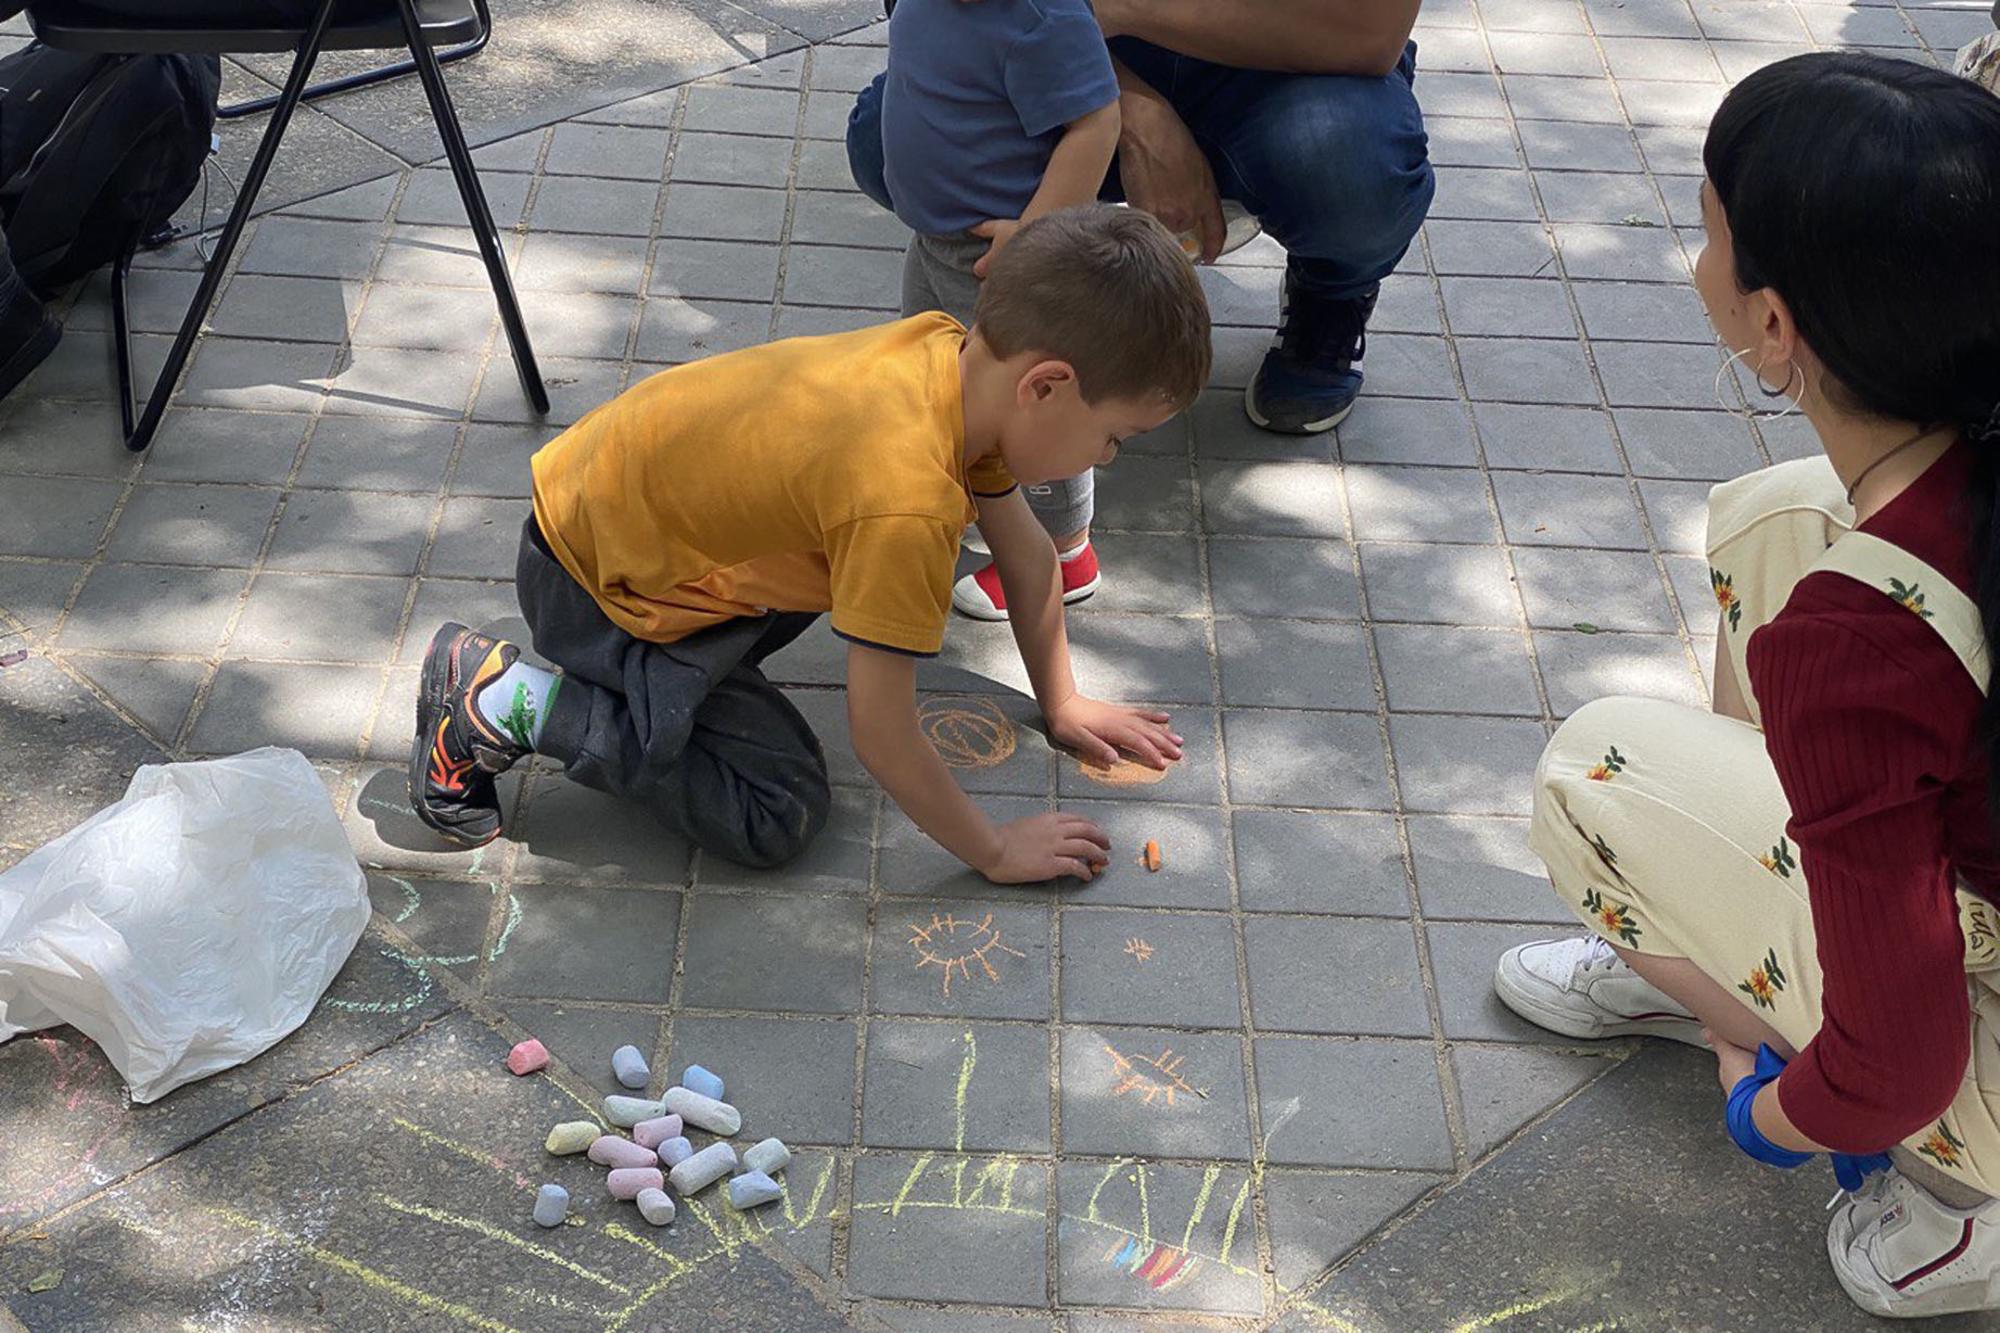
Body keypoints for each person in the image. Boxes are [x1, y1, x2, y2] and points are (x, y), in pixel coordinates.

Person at [1488, 53, 2000, 1318]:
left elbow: (1898, 1060)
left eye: (1705, 229)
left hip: (1956, 1057)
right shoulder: (1944, 468)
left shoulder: (1856, 640)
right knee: (1776, 515)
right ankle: (1719, 946)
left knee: (1592, 767)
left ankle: (1958, 1204)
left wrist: (1763, 1114)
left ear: (1772, 325)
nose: (1690, 256)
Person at [409, 205, 1210, 886]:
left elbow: (1031, 559)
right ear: (1048, 386)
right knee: (778, 811)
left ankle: (668, 676)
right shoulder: (905, 498)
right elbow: (882, 736)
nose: (1106, 457)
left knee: (872, 590)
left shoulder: (953, 357)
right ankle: (501, 699)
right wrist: (994, 849)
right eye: (1113, 437)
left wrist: (1062, 703)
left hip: (611, 516)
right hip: (594, 588)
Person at [849, 0, 1433, 620]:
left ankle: (1058, 548)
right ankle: (941, 486)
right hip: (1085, 45)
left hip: (1269, 60)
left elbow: (1369, 33)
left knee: (1033, 366)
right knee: (883, 152)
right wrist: (1138, 111)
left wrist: (1039, 244)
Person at [878, 0, 1121, 622]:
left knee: (1027, 398)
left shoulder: (1042, 16)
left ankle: (1065, 551)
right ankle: (946, 498)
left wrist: (1035, 237)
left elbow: (1096, 123)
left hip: (999, 255)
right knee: (932, 375)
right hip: (934, 236)